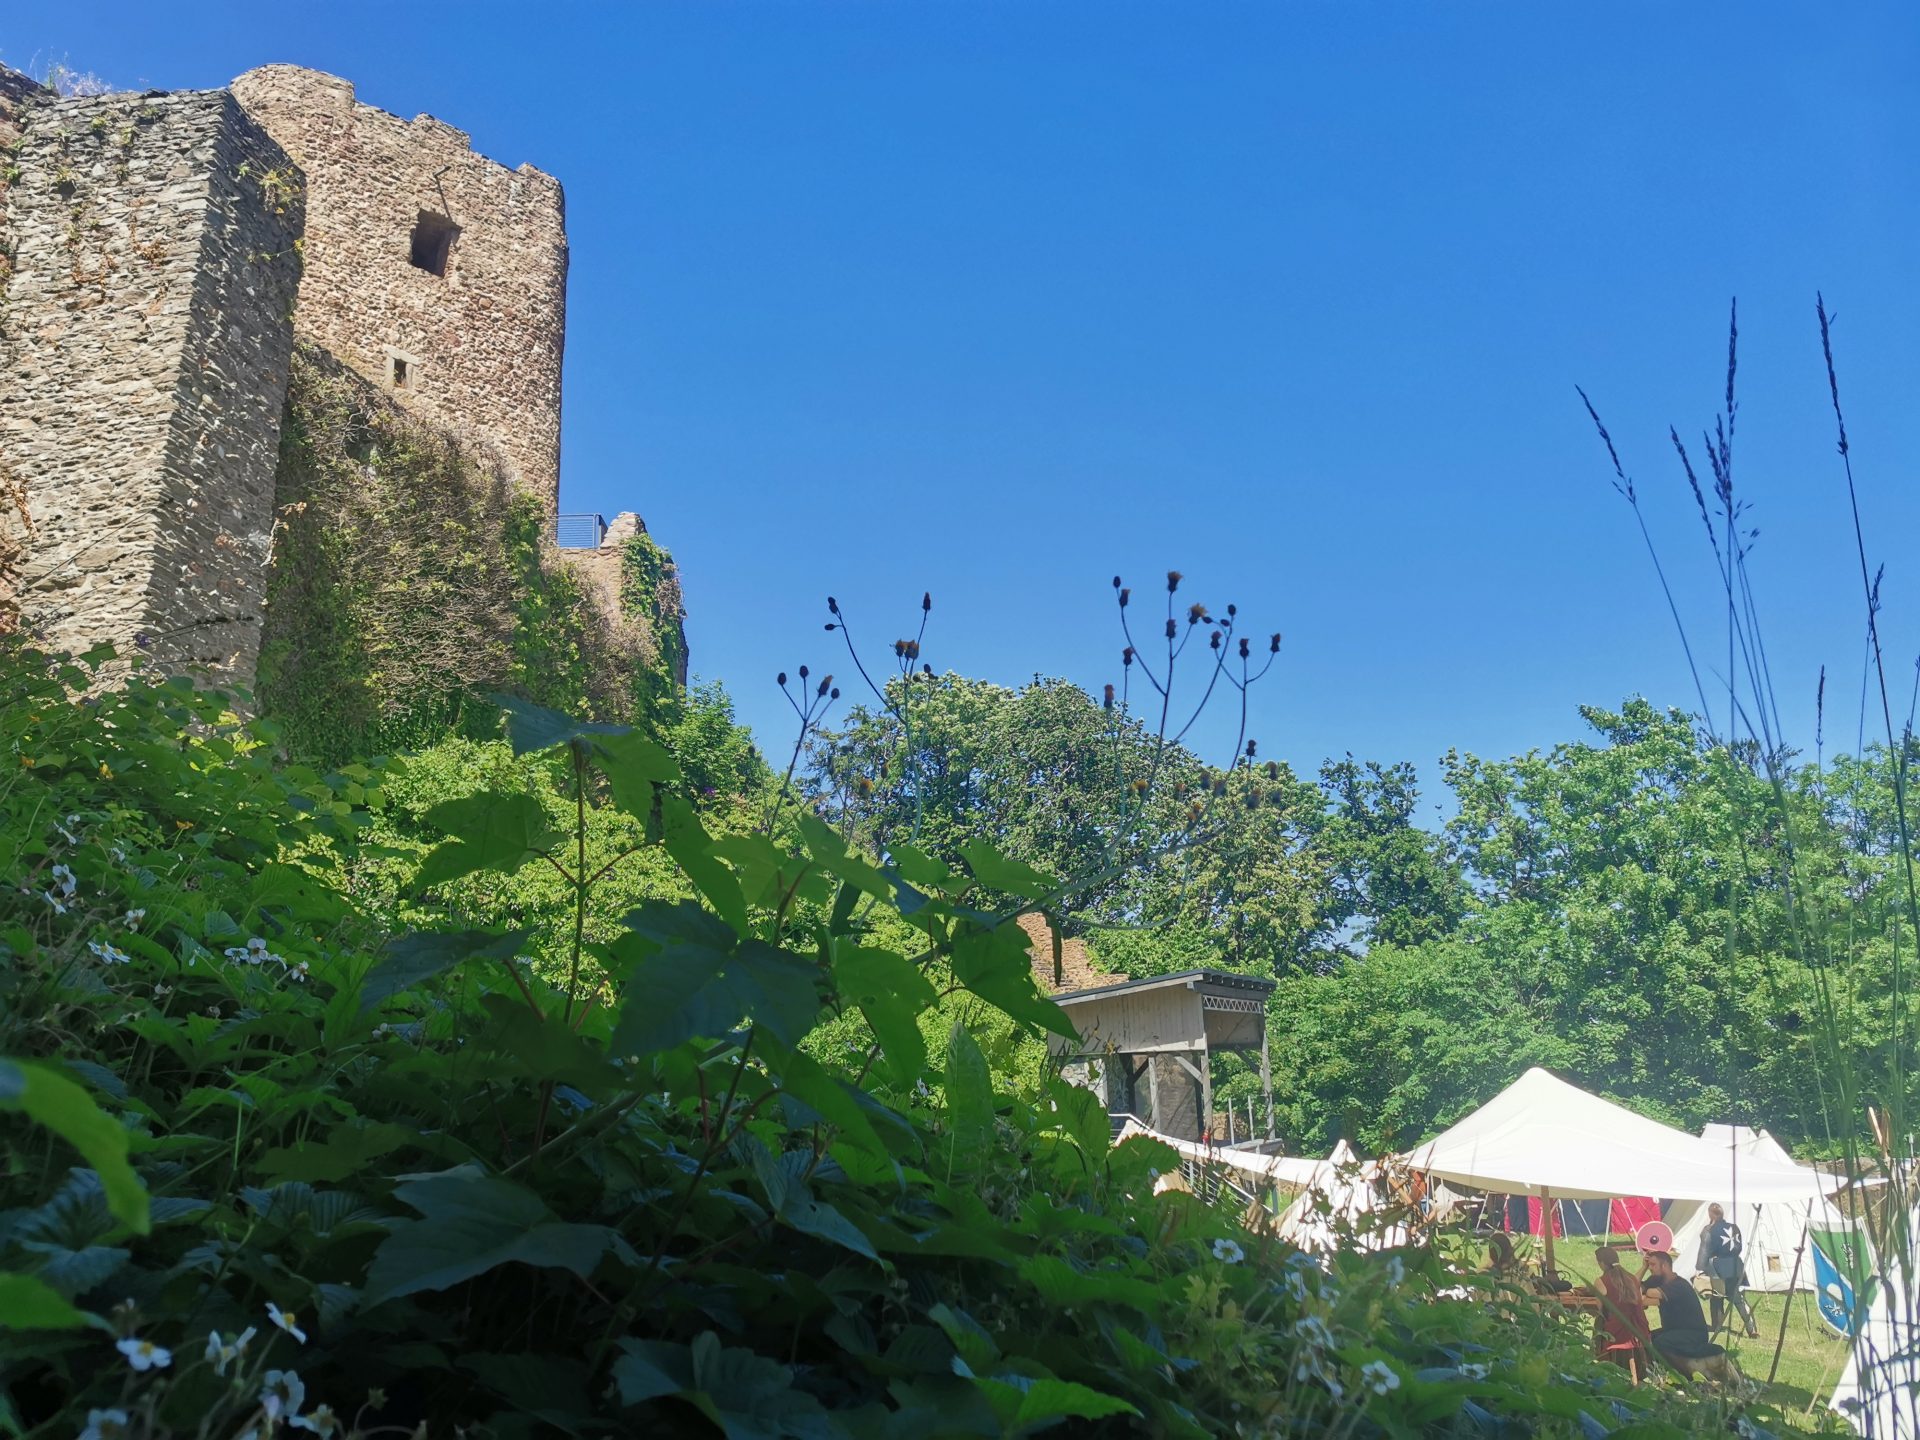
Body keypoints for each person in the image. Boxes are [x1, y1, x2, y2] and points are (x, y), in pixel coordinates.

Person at [1640, 1250, 1737, 1384]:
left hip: (1693, 1332)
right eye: (1649, 1265)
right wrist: (1643, 1268)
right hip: (1673, 1330)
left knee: (1661, 1343)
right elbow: (1635, 1287)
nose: (1650, 1268)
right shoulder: (1658, 1279)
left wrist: (1644, 1292)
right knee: (1648, 1338)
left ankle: (1685, 1376)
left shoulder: (1679, 1285)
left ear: (1665, 1266)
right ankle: (1659, 1373)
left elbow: (1652, 1293)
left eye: (1652, 1265)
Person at [1698, 1203, 1761, 1338]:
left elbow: (1705, 1249)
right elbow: (1739, 1248)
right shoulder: (1734, 1228)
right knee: (1739, 1299)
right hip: (1736, 1266)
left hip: (1718, 1267)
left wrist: (1700, 1268)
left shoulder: (1709, 1230)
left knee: (1716, 1298)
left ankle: (1717, 1325)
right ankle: (1752, 1329)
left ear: (1710, 1214)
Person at [1590, 1246, 1651, 1374]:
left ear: (1601, 1263)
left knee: (1599, 1323)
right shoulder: (1631, 1279)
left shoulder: (1601, 1281)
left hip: (1617, 1333)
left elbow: (1601, 1309)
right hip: (1640, 1330)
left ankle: (1598, 1362)